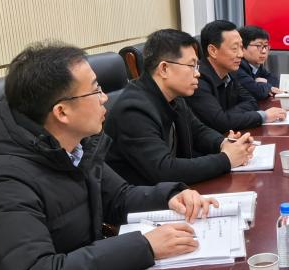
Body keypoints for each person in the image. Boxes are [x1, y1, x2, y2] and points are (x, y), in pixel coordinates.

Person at [0, 43, 212, 270]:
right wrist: (145, 247)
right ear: (61, 111)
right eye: (95, 90)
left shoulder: (73, 146)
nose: (105, 98)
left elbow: (119, 197)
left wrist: (170, 196)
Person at [104, 29, 255, 185]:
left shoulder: (174, 97)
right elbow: (164, 170)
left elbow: (198, 132)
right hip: (144, 196)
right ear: (164, 69)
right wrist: (226, 159)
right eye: (192, 65)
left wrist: (225, 143)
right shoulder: (133, 111)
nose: (198, 74)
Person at [189, 20, 287, 133]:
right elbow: (220, 123)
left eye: (241, 47)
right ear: (213, 51)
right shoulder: (197, 79)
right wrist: (263, 116)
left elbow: (251, 102)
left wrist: (227, 116)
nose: (240, 54)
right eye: (234, 48)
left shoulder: (230, 73)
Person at [235, 25, 281, 101]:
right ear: (242, 48)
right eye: (258, 46)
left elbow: (276, 81)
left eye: (266, 46)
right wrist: (268, 87)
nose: (264, 51)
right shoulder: (237, 66)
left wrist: (265, 82)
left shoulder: (256, 66)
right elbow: (258, 92)